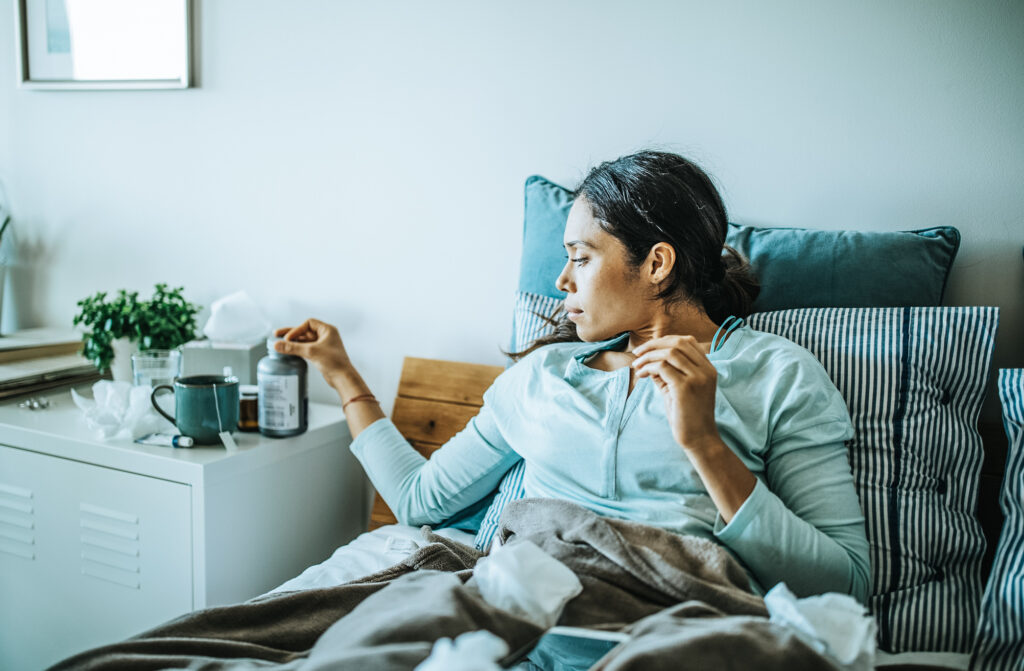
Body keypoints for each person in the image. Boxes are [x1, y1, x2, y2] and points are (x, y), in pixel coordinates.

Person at [274, 150, 870, 603]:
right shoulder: (544, 376)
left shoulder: (778, 374)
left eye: (581, 257)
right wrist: (342, 374)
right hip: (527, 611)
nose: (561, 282)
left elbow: (846, 583)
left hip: (674, 624)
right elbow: (418, 500)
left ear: (657, 264)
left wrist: (704, 444)